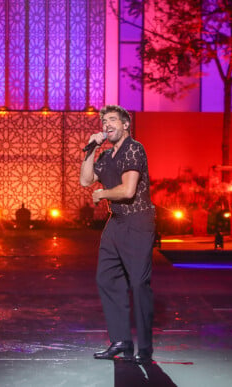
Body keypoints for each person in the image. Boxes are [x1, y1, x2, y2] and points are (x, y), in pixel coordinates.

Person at [79, 104, 156, 364]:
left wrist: (102, 194)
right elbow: (85, 180)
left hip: (138, 220)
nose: (106, 124)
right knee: (106, 278)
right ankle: (121, 339)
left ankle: (144, 347)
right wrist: (91, 149)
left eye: (112, 120)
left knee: (137, 283)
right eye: (104, 122)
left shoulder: (135, 148)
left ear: (125, 124)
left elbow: (128, 190)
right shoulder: (107, 155)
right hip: (117, 222)